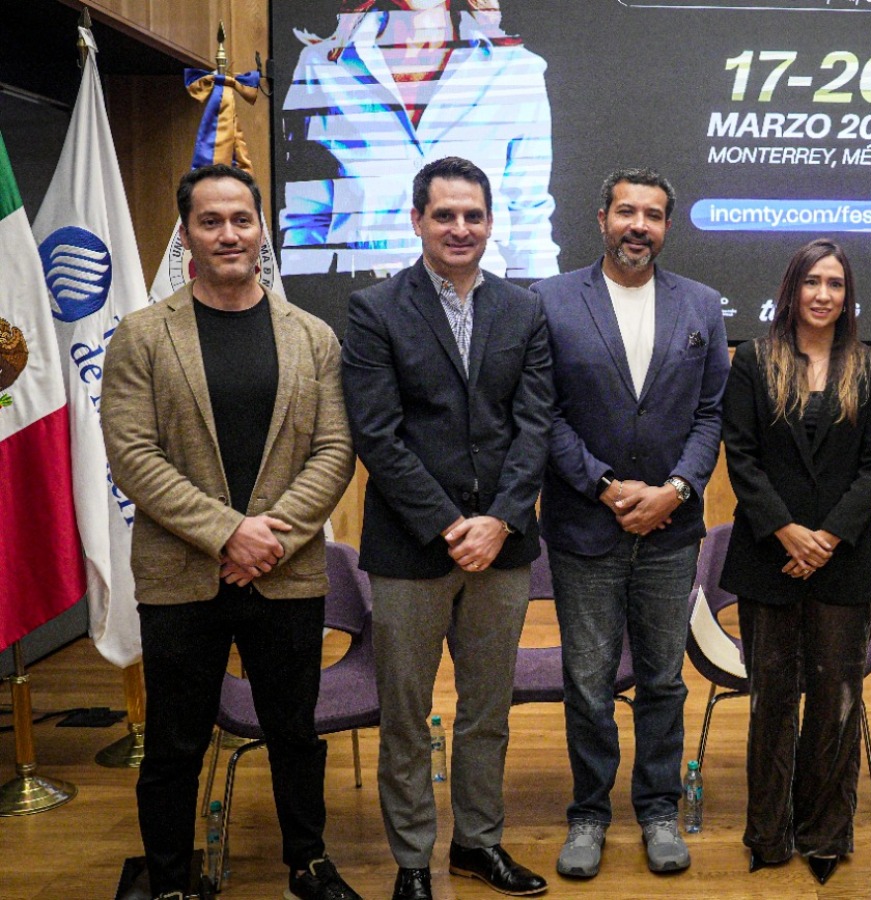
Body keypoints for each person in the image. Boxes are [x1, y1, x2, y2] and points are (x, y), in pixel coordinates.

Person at [102, 164, 360, 900]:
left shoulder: (311, 336)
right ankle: (171, 880)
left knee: (295, 732)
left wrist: (267, 537)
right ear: (186, 234)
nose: (228, 234)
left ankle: (307, 863)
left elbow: (334, 450)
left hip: (285, 570)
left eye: (241, 220)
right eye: (210, 221)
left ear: (260, 230)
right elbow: (133, 455)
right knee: (174, 744)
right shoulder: (143, 335)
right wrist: (227, 535)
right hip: (181, 577)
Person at [341, 156, 553, 900]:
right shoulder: (374, 309)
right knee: (406, 714)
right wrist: (449, 525)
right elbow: (377, 434)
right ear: (416, 220)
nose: (460, 228)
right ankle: (411, 862)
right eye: (444, 215)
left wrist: (499, 520)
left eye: (473, 215)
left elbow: (534, 426)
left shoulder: (523, 309)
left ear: (490, 223)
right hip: (410, 549)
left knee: (487, 711)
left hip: (503, 547)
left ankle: (477, 844)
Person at [530, 168, 729, 879]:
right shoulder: (550, 299)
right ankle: (588, 813)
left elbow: (710, 414)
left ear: (666, 226)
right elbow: (543, 411)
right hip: (585, 527)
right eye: (626, 211)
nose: (638, 225)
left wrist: (675, 489)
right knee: (587, 683)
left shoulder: (701, 304)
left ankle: (657, 810)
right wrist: (604, 485)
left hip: (670, 531)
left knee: (663, 680)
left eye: (652, 214)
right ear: (601, 218)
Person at [718, 239, 871, 886]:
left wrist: (827, 537)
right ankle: (768, 834)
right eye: (812, 282)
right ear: (792, 289)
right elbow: (740, 455)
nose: (824, 294)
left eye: (835, 284)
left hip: (844, 559)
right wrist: (787, 532)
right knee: (770, 700)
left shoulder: (869, 366)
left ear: (848, 296)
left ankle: (824, 832)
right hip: (769, 556)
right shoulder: (753, 360)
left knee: (835, 698)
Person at [281, 0, 558, 279]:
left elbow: (529, 221)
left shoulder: (515, 70)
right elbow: (305, 218)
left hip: (478, 296)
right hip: (358, 296)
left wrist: (539, 304)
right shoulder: (321, 67)